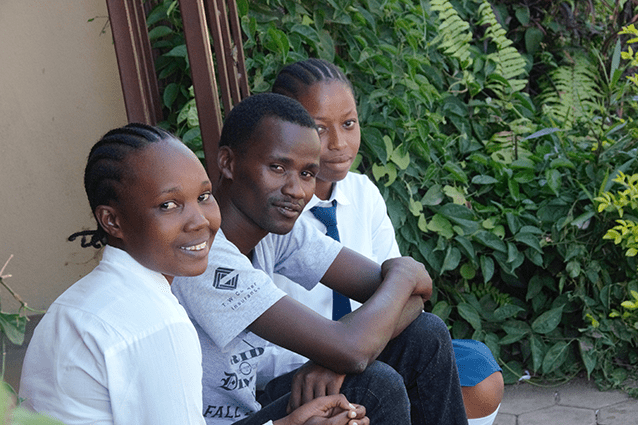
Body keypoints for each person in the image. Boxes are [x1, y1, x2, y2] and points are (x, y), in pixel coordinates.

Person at [19, 123, 366, 425]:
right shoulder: (156, 322)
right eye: (168, 205)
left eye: (203, 196)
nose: (199, 220)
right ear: (113, 221)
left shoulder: (77, 301)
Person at [171, 93, 468, 425]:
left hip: (256, 402)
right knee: (372, 386)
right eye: (277, 167)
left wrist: (332, 358)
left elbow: (413, 304)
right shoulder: (206, 256)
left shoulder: (272, 228)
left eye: (308, 174)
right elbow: (357, 345)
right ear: (228, 163)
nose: (296, 190)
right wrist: (405, 272)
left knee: (425, 335)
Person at [264, 58, 504, 425]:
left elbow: (408, 298)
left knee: (477, 371)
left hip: (366, 348)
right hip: (299, 372)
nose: (339, 143)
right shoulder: (275, 214)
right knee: (386, 384)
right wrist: (336, 356)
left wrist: (347, 354)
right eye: (319, 129)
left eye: (349, 124)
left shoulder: (363, 193)